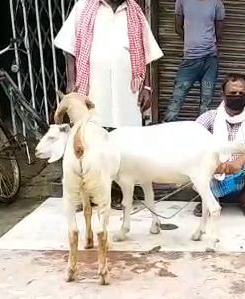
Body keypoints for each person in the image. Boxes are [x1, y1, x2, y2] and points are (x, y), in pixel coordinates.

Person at [54, 0, 163, 208]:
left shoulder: (135, 11)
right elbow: (70, 48)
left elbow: (148, 52)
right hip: (93, 89)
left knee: (126, 141)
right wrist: (71, 83)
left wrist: (147, 88)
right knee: (92, 140)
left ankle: (124, 192)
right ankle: (91, 193)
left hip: (128, 91)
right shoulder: (83, 7)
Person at [192, 73, 245, 219]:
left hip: (242, 171)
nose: (237, 96)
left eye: (242, 93)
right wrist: (213, 162)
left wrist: (241, 161)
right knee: (194, 160)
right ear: (223, 95)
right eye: (233, 93)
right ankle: (209, 198)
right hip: (213, 172)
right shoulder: (209, 117)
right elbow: (191, 140)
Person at [163, 0, 225, 121]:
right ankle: (165, 130)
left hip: (209, 61)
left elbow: (219, 32)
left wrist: (205, 44)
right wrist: (191, 43)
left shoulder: (217, 3)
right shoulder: (182, 1)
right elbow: (178, 27)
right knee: (176, 100)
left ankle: (202, 133)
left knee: (205, 104)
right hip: (190, 60)